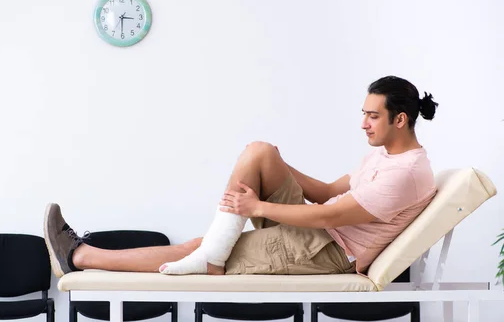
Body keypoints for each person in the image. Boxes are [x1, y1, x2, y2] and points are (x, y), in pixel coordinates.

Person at [43, 75, 439, 278]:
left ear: (399, 119)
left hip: (327, 252)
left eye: (372, 116)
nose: (364, 124)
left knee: (196, 247)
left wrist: (257, 206)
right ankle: (214, 254)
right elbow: (325, 194)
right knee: (260, 152)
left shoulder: (405, 174)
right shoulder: (386, 158)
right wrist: (276, 166)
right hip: (317, 232)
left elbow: (328, 216)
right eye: (364, 114)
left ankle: (81, 256)